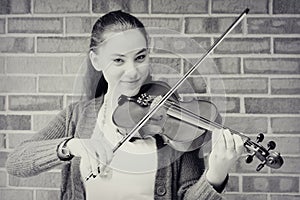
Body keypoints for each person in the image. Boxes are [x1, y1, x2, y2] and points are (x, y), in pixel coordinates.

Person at [6, 10, 244, 200]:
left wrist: (215, 174)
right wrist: (71, 146)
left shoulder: (176, 124)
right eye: (119, 60)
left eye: (140, 57)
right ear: (96, 60)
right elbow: (16, 162)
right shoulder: (77, 116)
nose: (132, 72)